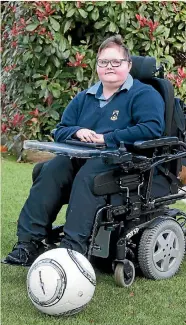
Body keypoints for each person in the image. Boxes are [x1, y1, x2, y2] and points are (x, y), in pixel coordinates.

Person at [5, 35, 166, 266]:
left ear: (128, 65)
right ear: (97, 65)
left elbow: (152, 129)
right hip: (81, 155)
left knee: (89, 177)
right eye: (103, 62)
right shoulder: (85, 97)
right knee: (51, 169)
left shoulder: (144, 94)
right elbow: (61, 129)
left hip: (123, 162)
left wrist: (107, 138)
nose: (109, 67)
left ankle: (72, 251)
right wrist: (77, 131)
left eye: (116, 62)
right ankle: (29, 243)